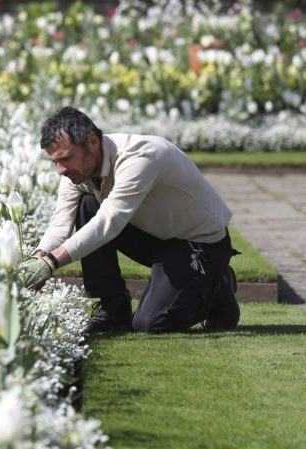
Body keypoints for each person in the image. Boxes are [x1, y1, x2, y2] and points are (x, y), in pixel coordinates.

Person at [24, 106, 240, 334]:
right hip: (156, 234)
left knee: (149, 323)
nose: (60, 170)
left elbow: (109, 222)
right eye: (54, 162)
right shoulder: (77, 171)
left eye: (66, 158)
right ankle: (112, 310)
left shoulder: (141, 157)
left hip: (200, 243)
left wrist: (51, 263)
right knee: (87, 206)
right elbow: (60, 223)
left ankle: (218, 287)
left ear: (92, 143)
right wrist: (38, 257)